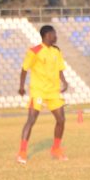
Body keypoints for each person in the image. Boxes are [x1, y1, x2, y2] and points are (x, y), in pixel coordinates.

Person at [17, 24, 68, 164]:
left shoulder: (56, 51)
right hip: (38, 91)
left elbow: (59, 69)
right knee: (31, 120)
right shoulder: (34, 51)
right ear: (47, 35)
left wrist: (64, 82)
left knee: (61, 120)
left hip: (53, 91)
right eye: (54, 34)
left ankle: (56, 149)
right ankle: (22, 152)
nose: (56, 37)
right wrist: (21, 86)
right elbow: (24, 69)